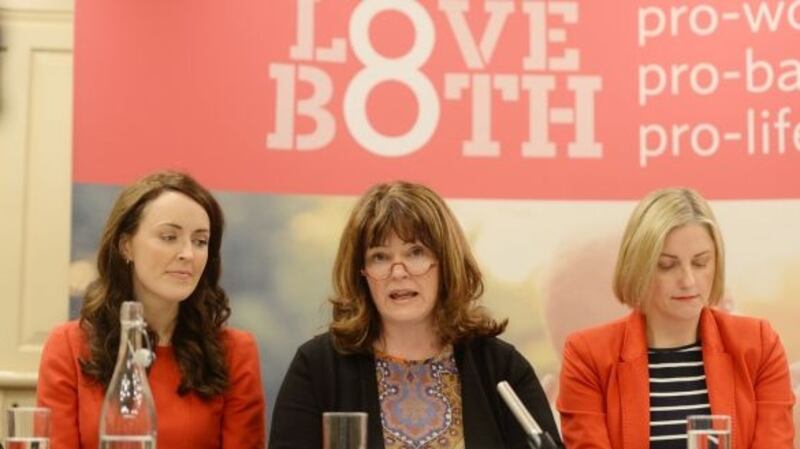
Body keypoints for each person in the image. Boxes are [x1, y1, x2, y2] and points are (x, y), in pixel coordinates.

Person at [269, 181, 562, 449]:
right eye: (380, 257)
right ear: (363, 273)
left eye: (415, 252)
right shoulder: (318, 367)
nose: (398, 272)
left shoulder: (500, 368)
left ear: (445, 263)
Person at [37, 171, 265, 449]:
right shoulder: (69, 346)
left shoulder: (235, 351)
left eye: (200, 241)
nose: (188, 254)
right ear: (126, 246)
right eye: (169, 237)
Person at [557, 187, 795, 449]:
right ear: (638, 266)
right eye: (667, 265)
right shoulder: (588, 355)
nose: (688, 281)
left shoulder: (759, 344)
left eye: (701, 263)